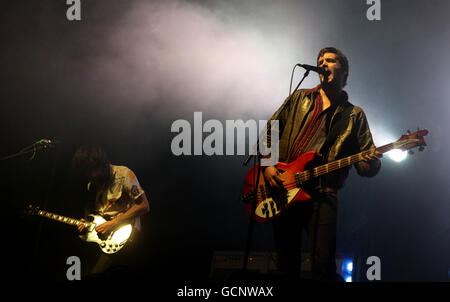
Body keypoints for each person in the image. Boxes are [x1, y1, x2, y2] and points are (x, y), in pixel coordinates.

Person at [263, 47, 381, 281]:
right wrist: (268, 165)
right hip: (285, 186)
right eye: (320, 60)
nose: (323, 63)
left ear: (344, 71)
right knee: (285, 264)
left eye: (330, 60)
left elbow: (366, 167)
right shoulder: (299, 98)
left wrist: (371, 163)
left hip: (323, 193)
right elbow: (271, 130)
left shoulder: (354, 115)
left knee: (323, 266)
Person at [71, 145, 150, 278]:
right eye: (87, 172)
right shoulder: (91, 185)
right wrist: (86, 223)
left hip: (126, 236)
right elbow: (95, 214)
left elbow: (144, 206)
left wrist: (114, 223)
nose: (90, 175)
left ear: (102, 164)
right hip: (103, 240)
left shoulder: (124, 174)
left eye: (92, 170)